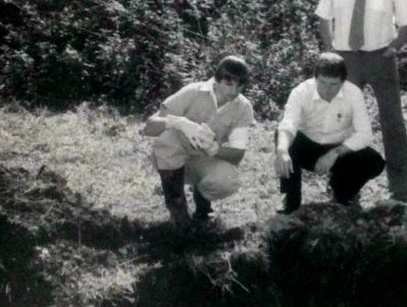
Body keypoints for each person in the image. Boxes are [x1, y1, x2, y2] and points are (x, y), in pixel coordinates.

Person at [315, 0, 407, 205]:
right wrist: (331, 51)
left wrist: (395, 47)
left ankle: (403, 189)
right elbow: (324, 17)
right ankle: (344, 186)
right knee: (342, 120)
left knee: (392, 121)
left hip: (380, 58)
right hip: (346, 58)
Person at [143, 56, 254, 223]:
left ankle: (203, 207)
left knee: (228, 180)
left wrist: (214, 149)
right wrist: (178, 122)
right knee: (168, 137)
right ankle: (178, 212)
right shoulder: (193, 92)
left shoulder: (243, 107)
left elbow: (238, 155)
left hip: (204, 161)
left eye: (240, 86)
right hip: (171, 159)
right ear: (216, 79)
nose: (234, 91)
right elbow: (149, 127)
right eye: (229, 84)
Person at [275, 52, 386, 213]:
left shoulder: (353, 93)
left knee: (375, 162)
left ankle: (341, 193)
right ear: (315, 78)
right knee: (283, 137)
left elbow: (364, 134)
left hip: (339, 150)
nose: (327, 89)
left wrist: (335, 153)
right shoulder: (301, 92)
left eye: (333, 84)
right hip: (307, 147)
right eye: (322, 82)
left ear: (343, 81)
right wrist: (282, 151)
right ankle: (290, 200)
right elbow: (288, 124)